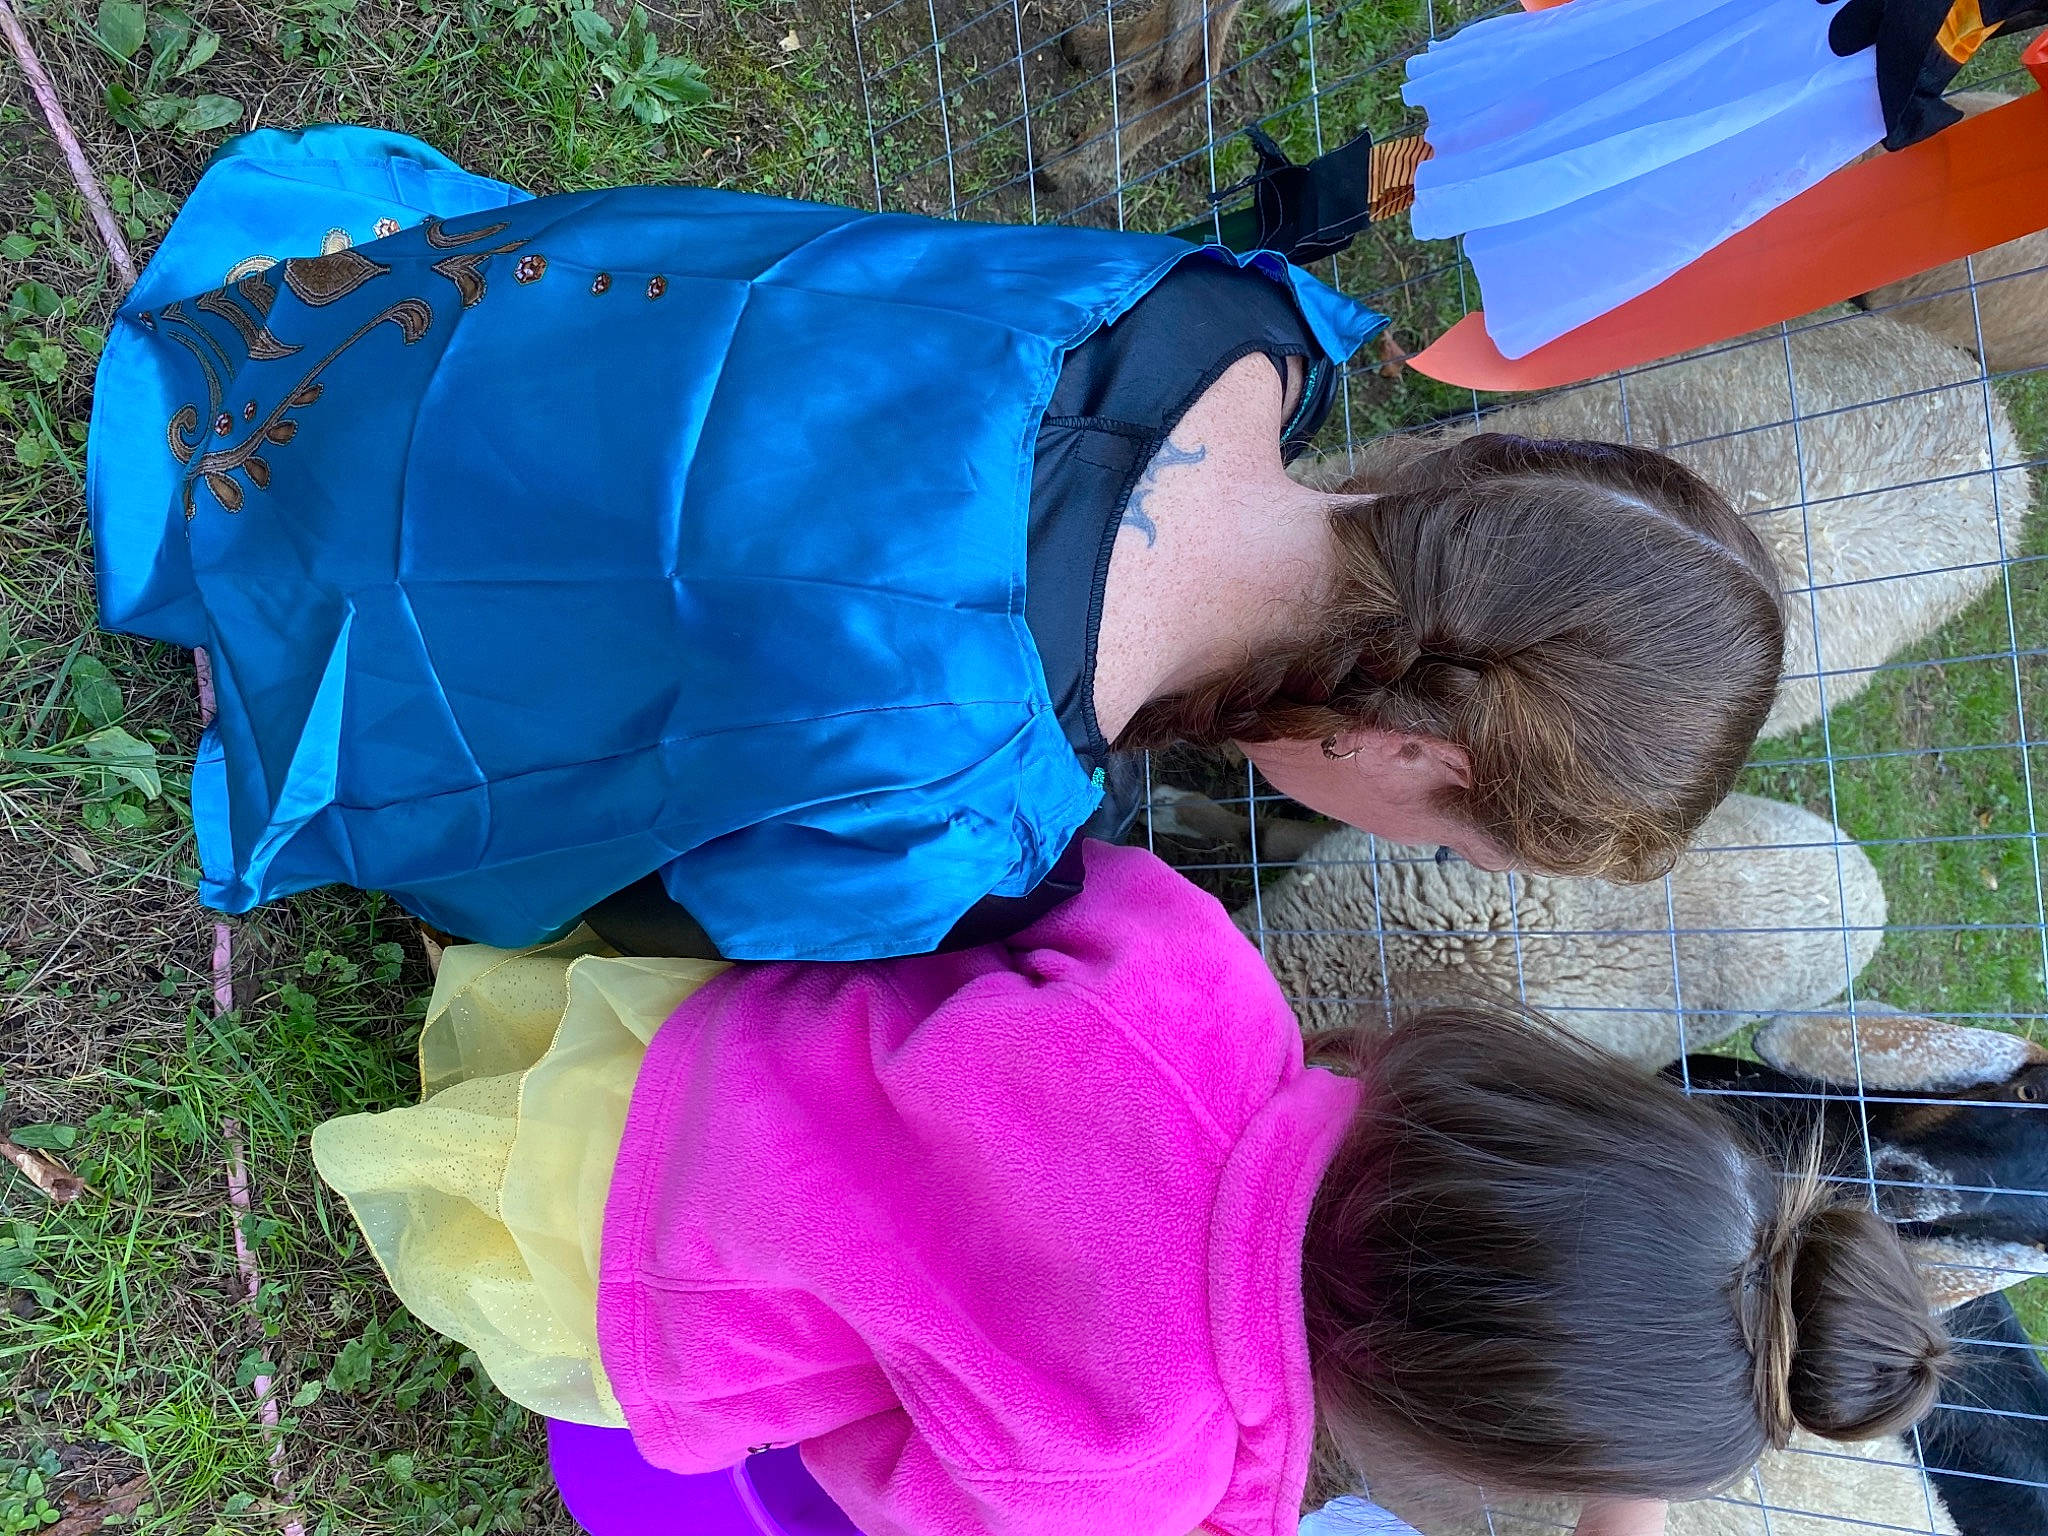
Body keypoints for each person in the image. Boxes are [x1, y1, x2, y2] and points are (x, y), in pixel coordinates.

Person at [90, 125, 1785, 962]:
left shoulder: (1218, 321)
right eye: (1456, 844)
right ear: (1411, 743)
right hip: (359, 577)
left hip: (418, 321)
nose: (1429, 860)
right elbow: (677, 898)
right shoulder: (970, 798)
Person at [312, 841, 1943, 1536]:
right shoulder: (1137, 1468)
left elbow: (990, 903)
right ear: (1454, 1436)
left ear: (1516, 1102)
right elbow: (872, 1468)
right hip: (589, 1276)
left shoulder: (1201, 984)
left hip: (637, 1042)